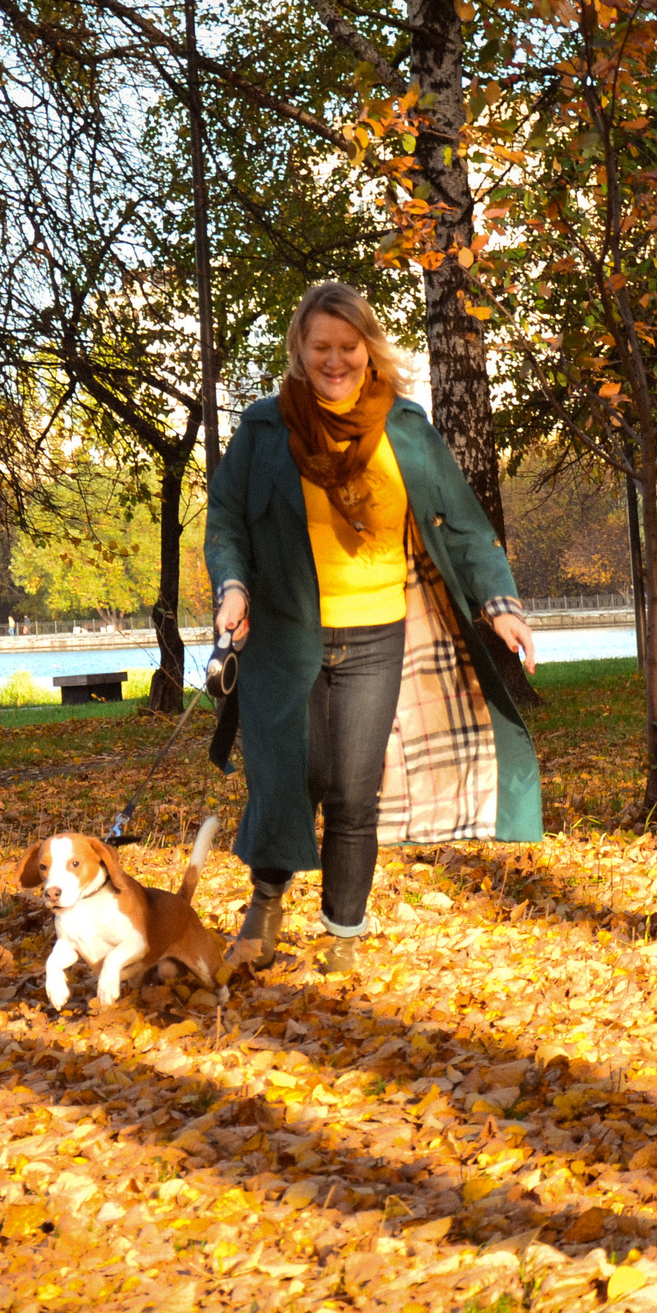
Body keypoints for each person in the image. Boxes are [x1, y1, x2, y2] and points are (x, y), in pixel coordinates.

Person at [205, 281, 543, 976]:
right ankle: (265, 907)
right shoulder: (265, 428)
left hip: (376, 634)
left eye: (347, 347)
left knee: (355, 790)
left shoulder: (406, 428)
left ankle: (343, 937)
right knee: (292, 776)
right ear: (299, 349)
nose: (335, 361)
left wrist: (499, 602)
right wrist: (233, 587)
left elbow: (468, 527)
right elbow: (226, 522)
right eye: (320, 347)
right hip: (284, 637)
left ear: (368, 349)